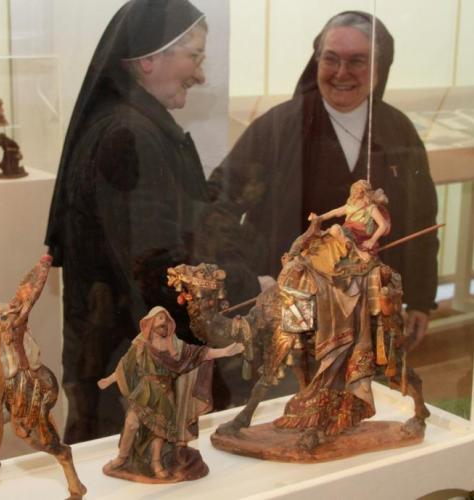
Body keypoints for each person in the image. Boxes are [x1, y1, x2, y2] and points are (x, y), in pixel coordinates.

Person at [207, 11, 438, 349]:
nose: (341, 73)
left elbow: (422, 219)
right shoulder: (277, 129)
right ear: (317, 61)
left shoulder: (397, 130)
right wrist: (244, 279)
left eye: (357, 61)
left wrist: (420, 299)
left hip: (371, 315)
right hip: (290, 314)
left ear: (378, 67)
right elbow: (217, 204)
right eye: (331, 59)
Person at [44, 0, 211, 443]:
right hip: (129, 365)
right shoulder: (128, 134)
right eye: (194, 56)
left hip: (118, 354)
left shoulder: (131, 123)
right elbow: (154, 266)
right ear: (148, 60)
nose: (200, 75)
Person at [98, 306, 243, 480]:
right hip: (144, 392)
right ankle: (121, 458)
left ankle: (156, 463)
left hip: (165, 393)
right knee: (131, 423)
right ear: (150, 322)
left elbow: (199, 353)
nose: (163, 322)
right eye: (160, 318)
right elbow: (124, 366)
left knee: (160, 431)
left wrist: (224, 352)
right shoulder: (141, 344)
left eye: (166, 319)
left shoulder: (175, 346)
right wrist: (109, 380)